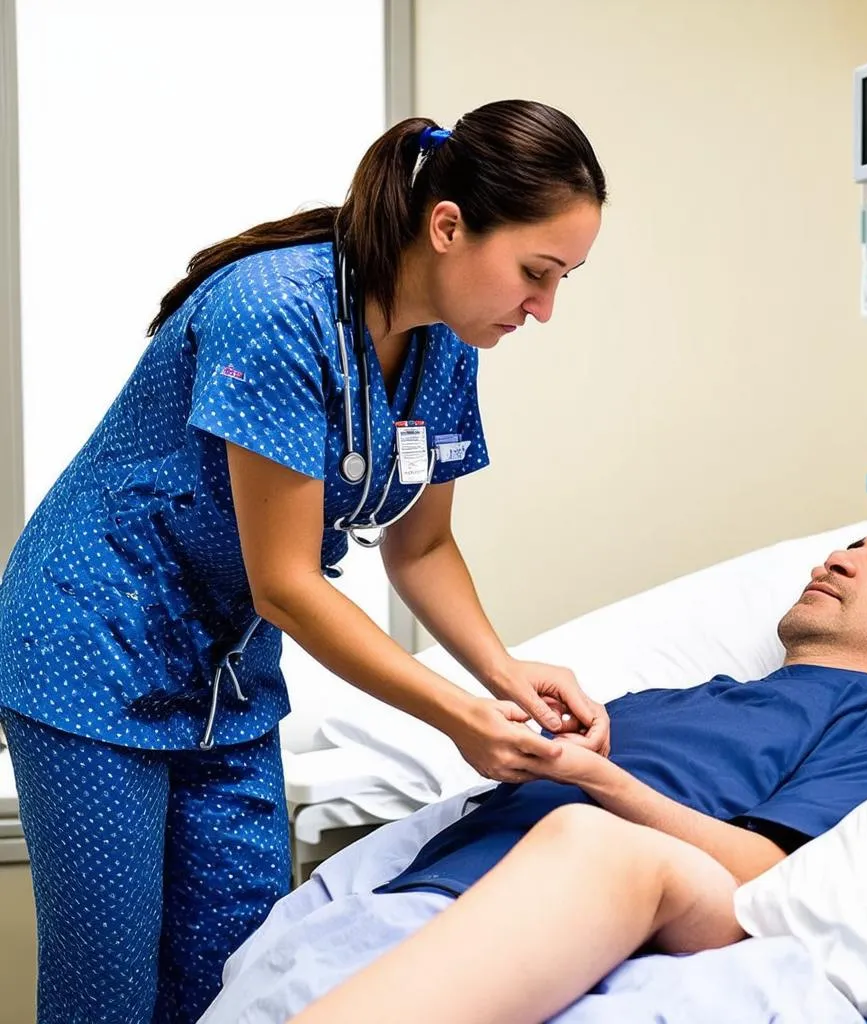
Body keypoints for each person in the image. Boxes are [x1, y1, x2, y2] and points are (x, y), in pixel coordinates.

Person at [0, 99, 613, 1024]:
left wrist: (503, 675)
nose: (545, 308)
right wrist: (459, 718)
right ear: (448, 226)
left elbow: (425, 544)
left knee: (241, 971)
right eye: (536, 272)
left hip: (224, 677)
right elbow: (285, 583)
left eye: (563, 279)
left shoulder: (448, 345)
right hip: (91, 647)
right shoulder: (278, 309)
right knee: (110, 993)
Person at [198, 502, 867, 1024]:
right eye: (852, 544)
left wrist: (592, 779)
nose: (835, 559)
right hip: (412, 909)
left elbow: (763, 875)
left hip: (594, 926)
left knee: (591, 844)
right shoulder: (689, 691)